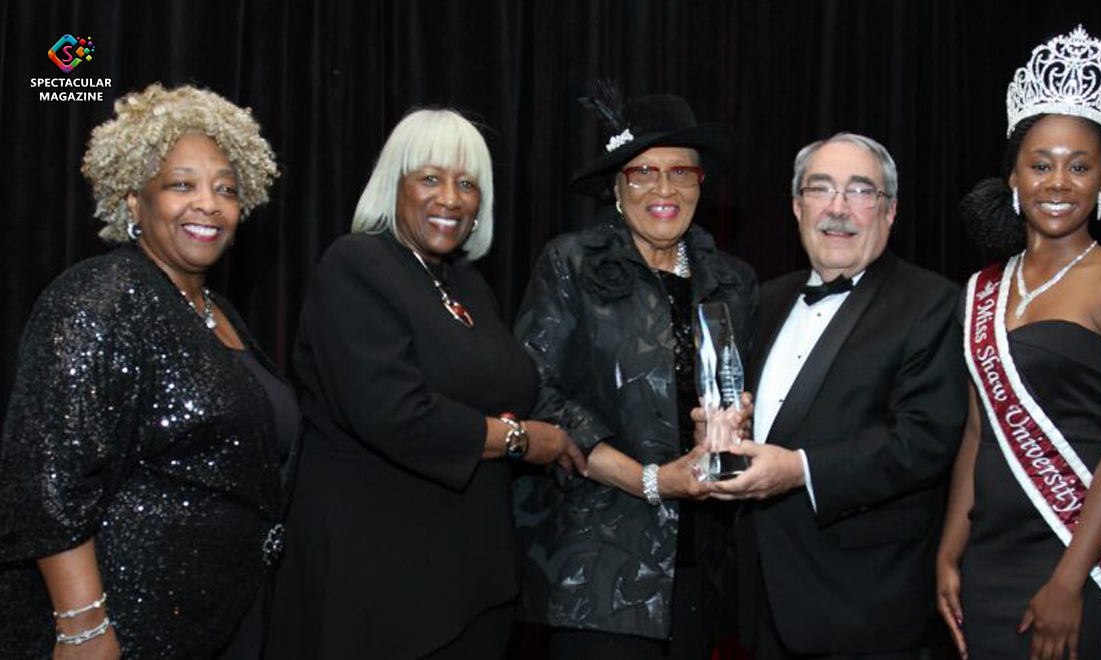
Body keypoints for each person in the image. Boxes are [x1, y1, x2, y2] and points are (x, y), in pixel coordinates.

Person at [264, 108, 585, 660]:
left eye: (467, 184)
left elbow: (513, 385)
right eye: (431, 178)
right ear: (396, 184)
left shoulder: (464, 282)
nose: (451, 199)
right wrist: (521, 440)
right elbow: (392, 412)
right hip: (379, 583)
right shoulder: (357, 264)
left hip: (469, 579)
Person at [0, 83, 291, 660]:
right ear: (135, 201)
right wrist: (83, 630)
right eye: (181, 184)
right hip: (128, 624)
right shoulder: (100, 296)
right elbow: (46, 478)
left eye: (226, 189)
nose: (208, 203)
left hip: (217, 619)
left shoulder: (215, 311)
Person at [512, 93, 759, 659]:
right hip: (597, 573)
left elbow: (745, 397)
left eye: (681, 172)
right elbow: (536, 392)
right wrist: (650, 479)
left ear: (701, 183)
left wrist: (733, 427)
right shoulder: (571, 263)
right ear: (616, 187)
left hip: (702, 571)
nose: (664, 190)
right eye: (643, 172)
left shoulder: (734, 282)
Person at [705, 132, 968, 658]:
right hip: (762, 604)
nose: (837, 209)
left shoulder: (933, 302)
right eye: (820, 189)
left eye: (860, 191)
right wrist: (717, 431)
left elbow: (924, 441)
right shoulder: (766, 298)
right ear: (797, 206)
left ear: (889, 211)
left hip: (867, 610)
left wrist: (800, 468)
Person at [938, 26, 1101, 660]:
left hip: (1082, 555)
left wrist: (1069, 581)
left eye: (1079, 167)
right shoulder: (981, 289)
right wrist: (949, 548)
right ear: (1015, 176)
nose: (1058, 182)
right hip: (990, 557)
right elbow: (977, 434)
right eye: (1041, 164)